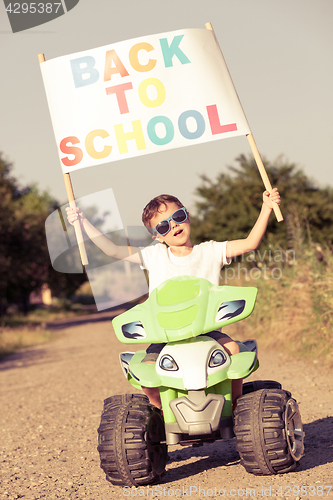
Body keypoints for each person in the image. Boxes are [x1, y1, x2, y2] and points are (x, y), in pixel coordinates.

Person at [66, 188, 281, 409]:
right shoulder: (154, 256)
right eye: (163, 226)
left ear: (187, 215)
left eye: (177, 217)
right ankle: (159, 411)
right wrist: (83, 224)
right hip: (164, 335)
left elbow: (250, 243)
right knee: (145, 371)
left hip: (206, 331)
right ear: (157, 236)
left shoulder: (211, 251)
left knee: (234, 351)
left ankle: (235, 406)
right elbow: (112, 250)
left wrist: (266, 208)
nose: (174, 226)